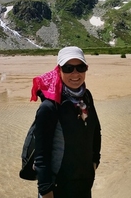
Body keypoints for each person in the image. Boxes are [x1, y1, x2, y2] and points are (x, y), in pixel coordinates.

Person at [34, 46, 102, 198]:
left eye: (81, 67)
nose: (75, 74)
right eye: (68, 68)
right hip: (58, 187)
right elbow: (41, 155)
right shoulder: (50, 106)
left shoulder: (86, 97)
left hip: (83, 184)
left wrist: (94, 161)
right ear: (59, 70)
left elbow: (95, 130)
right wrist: (45, 190)